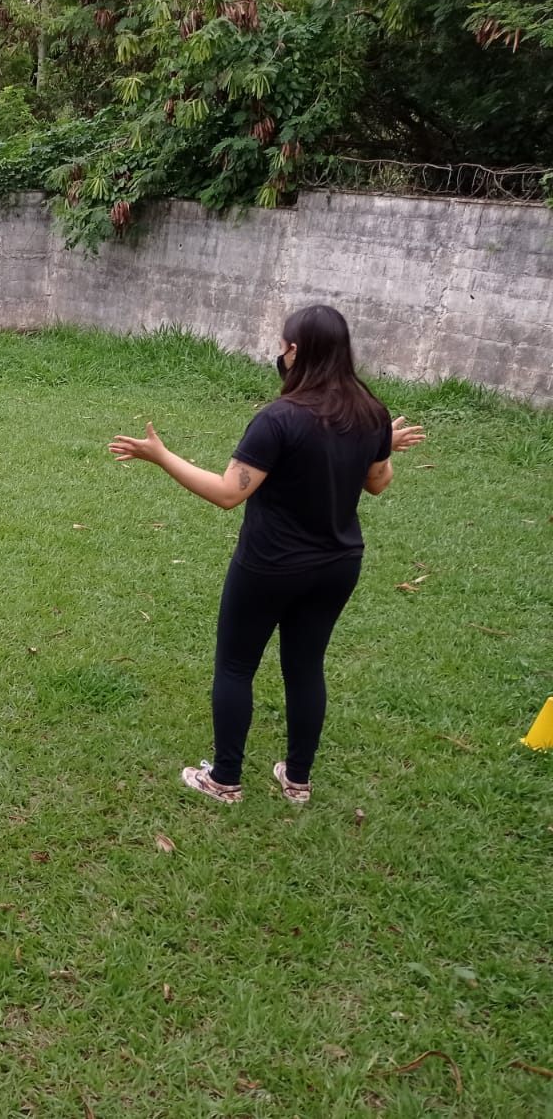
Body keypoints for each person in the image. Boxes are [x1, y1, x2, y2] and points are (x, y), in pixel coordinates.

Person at [108, 304, 427, 805]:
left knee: (236, 665)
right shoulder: (371, 414)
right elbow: (378, 484)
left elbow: (228, 492)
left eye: (283, 346)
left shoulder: (278, 419)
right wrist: (375, 445)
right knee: (305, 667)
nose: (279, 354)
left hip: (270, 565)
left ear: (296, 351)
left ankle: (225, 779)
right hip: (337, 566)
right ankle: (296, 780)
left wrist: (160, 455)